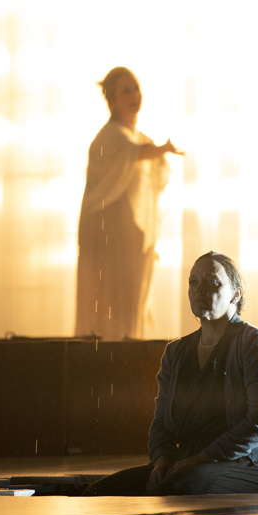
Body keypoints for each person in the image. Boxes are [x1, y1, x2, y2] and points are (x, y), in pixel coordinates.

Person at [82, 251, 258, 495]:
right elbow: (160, 424)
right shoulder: (176, 351)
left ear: (236, 294)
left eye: (212, 282)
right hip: (186, 464)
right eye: (193, 282)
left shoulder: (256, 343)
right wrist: (162, 459)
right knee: (99, 491)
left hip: (246, 466)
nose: (200, 289)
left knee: (180, 486)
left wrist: (198, 460)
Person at [75, 67, 182, 340]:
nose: (134, 95)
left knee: (131, 297)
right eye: (126, 91)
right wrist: (160, 150)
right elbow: (130, 154)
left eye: (135, 88)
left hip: (131, 232)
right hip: (108, 232)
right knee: (109, 297)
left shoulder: (139, 137)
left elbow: (146, 162)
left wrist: (158, 153)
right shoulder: (109, 137)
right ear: (112, 99)